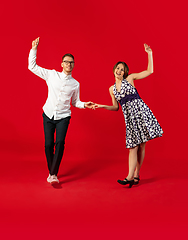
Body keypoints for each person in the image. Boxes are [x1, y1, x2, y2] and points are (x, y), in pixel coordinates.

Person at [95, 44, 163, 188]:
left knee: (141, 145)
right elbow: (115, 107)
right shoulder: (111, 89)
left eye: (122, 69)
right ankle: (131, 176)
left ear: (125, 72)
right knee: (133, 147)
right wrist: (101, 106)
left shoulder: (130, 79)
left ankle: (134, 175)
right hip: (130, 119)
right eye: (117, 68)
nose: (119, 71)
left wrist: (149, 53)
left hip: (141, 113)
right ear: (114, 70)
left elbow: (149, 71)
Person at [28, 37, 95, 184]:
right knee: (48, 144)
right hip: (48, 114)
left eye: (71, 62)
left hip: (64, 117)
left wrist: (85, 105)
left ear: (74, 65)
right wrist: (34, 49)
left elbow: (76, 102)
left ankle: (53, 174)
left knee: (60, 143)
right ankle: (51, 171)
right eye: (66, 61)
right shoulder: (52, 75)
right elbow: (32, 67)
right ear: (62, 64)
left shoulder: (75, 84)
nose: (68, 64)